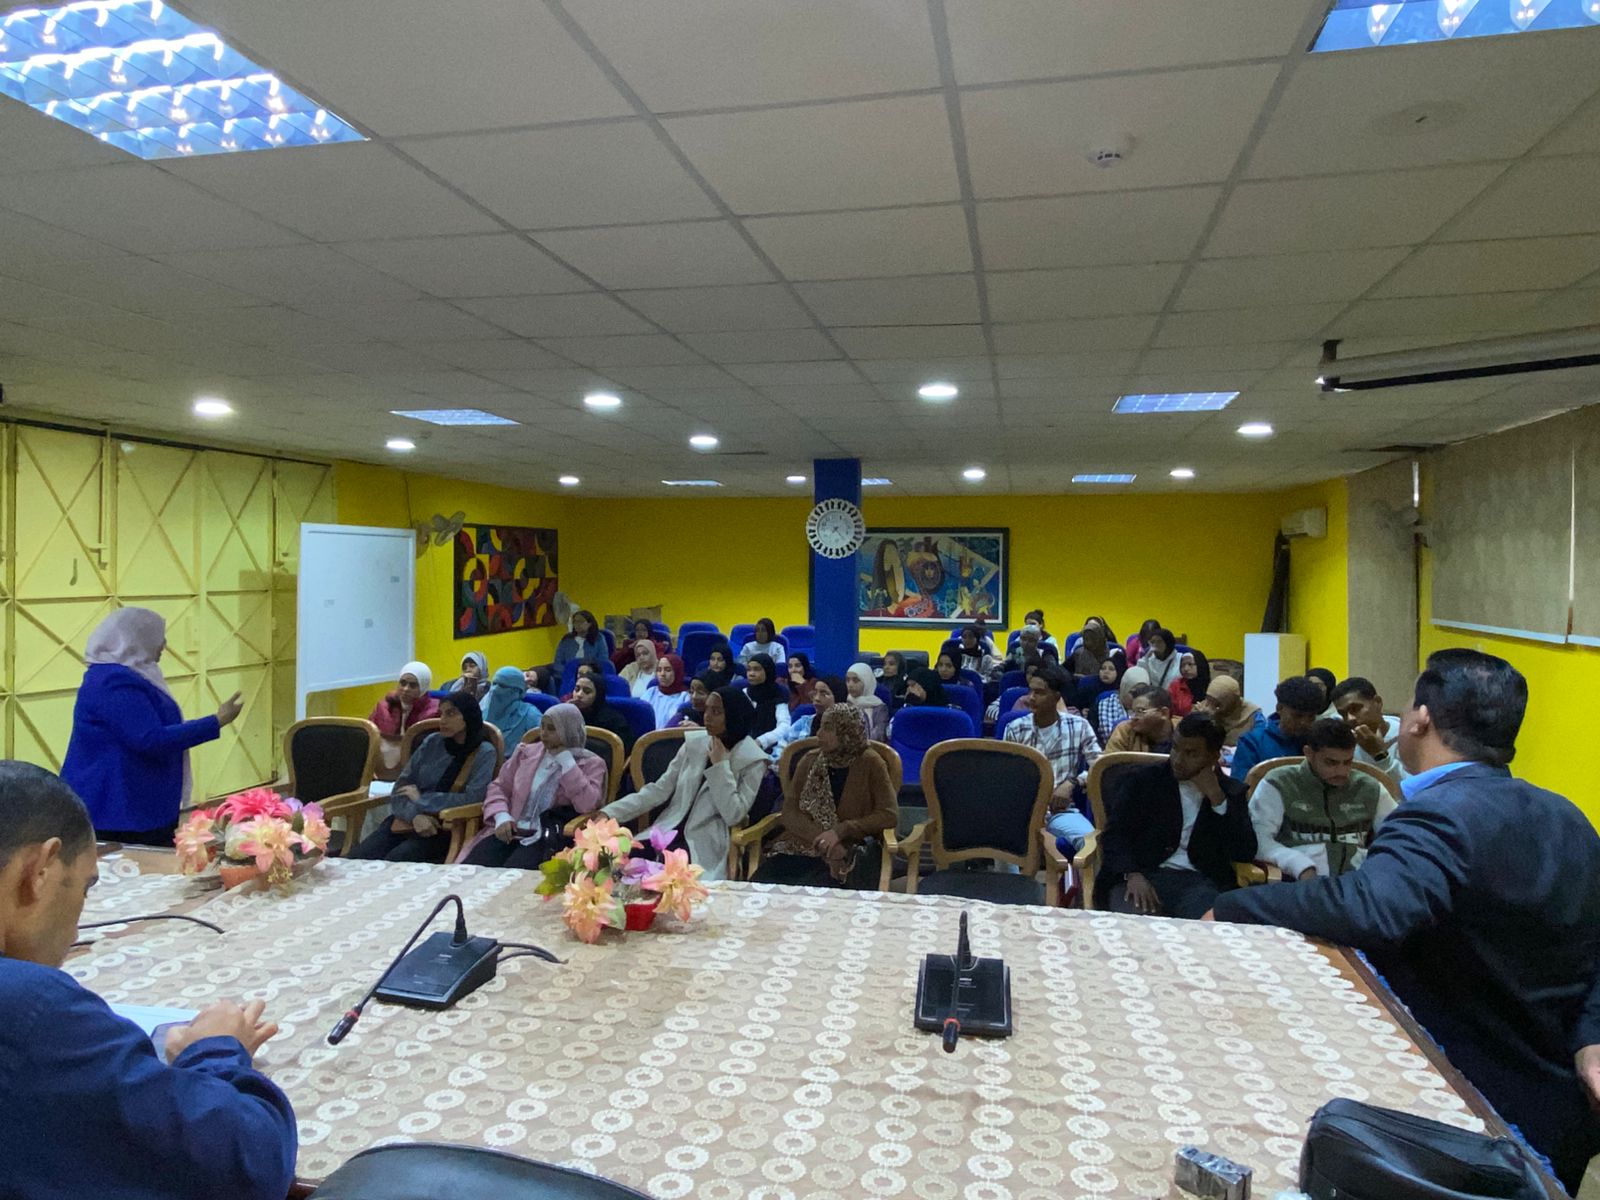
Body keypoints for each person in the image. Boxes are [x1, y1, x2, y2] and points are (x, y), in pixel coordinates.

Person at [1212, 650, 1600, 1193]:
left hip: (1461, 1113)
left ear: (1419, 719)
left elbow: (1372, 907)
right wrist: (1590, 1035)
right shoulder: (1568, 816)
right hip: (1559, 1108)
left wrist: (1234, 907)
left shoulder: (1439, 814)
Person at [0, 761, 297, 1200]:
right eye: (83, 888)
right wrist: (215, 1051)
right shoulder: (30, 1007)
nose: (76, 932)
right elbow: (253, 1164)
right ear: (40, 869)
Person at [61, 608, 242, 846]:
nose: (164, 644)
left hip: (136, 802)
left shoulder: (133, 674)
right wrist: (216, 721)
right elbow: (149, 739)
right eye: (158, 636)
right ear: (136, 638)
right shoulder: (113, 680)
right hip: (118, 808)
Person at [592, 686, 766, 881]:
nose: (707, 717)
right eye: (707, 710)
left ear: (734, 716)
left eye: (716, 712)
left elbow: (733, 814)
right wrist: (610, 812)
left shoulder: (752, 759)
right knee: (612, 868)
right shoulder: (695, 743)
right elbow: (658, 790)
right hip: (669, 830)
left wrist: (720, 766)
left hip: (704, 842)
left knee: (667, 882)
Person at [1099, 713, 1256, 918]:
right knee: (1137, 926)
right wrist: (1132, 874)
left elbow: (1244, 852)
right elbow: (1114, 835)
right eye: (1175, 748)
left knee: (1208, 927)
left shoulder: (1230, 792)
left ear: (1213, 756)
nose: (1178, 760)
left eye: (1191, 753)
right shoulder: (1142, 780)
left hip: (1199, 883)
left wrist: (1217, 800)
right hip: (1142, 874)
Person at [753, 706, 898, 889]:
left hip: (849, 850)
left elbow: (888, 814)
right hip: (801, 844)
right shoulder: (810, 760)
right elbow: (789, 812)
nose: (819, 734)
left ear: (847, 733)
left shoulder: (871, 762)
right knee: (761, 883)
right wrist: (824, 842)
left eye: (828, 728)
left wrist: (842, 831)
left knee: (817, 889)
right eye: (820, 726)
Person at [458, 703, 606, 868]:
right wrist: (501, 816)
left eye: (552, 729)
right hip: (510, 829)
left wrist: (567, 763)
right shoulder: (525, 753)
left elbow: (587, 805)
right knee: (472, 869)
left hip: (547, 837)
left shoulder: (591, 764)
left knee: (514, 874)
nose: (544, 733)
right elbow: (499, 787)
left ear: (568, 730)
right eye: (542, 726)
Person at [352, 692, 493, 863]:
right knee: (359, 856)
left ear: (468, 716)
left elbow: (474, 798)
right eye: (442, 713)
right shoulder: (433, 742)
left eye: (451, 713)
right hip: (407, 819)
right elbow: (401, 788)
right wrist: (415, 816)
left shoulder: (484, 752)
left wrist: (422, 799)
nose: (443, 720)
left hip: (447, 827)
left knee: (398, 859)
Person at [1249, 719, 1394, 881]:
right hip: (1295, 881)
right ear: (1309, 753)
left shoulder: (1370, 788)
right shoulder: (1279, 782)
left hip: (1359, 882)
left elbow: (1399, 836)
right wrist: (1298, 864)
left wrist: (1375, 866)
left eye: (1347, 762)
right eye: (1331, 762)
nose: (1341, 771)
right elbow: (1258, 841)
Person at [1003, 666, 1101, 852]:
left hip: (1061, 811)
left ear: (1056, 697)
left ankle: (1078, 874)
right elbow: (1006, 778)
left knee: (1092, 844)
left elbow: (1099, 766)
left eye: (1039, 693)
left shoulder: (1079, 726)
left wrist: (1073, 782)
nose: (1031, 697)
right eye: (1030, 691)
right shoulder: (1015, 728)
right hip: (1021, 811)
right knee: (1000, 840)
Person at [1229, 676, 1324, 780]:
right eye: (1297, 716)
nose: (1304, 723)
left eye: (1311, 717)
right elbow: (1242, 785)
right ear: (1279, 708)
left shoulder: (1318, 742)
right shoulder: (1252, 742)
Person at [368, 661, 442, 774]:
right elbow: (369, 738)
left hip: (417, 769)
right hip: (381, 769)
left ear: (423, 687)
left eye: (413, 685)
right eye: (402, 683)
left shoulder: (436, 711)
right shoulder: (383, 707)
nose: (406, 689)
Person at [1330, 675, 1407, 783]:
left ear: (1377, 702)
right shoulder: (1348, 743)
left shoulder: (1408, 737)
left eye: (1355, 709)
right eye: (1343, 714)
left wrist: (1379, 755)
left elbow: (1417, 788)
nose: (1350, 718)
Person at [774, 674, 847, 758]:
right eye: (815, 693)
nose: (817, 698)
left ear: (838, 698)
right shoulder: (804, 723)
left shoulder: (847, 727)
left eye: (824, 694)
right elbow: (782, 747)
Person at [571, 674, 636, 755]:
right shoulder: (568, 715)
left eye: (587, 691)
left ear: (598, 695)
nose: (579, 695)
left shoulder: (613, 720)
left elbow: (624, 751)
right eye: (577, 689)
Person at [1104, 684, 1178, 754]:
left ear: (1164, 713)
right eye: (1132, 712)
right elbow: (1109, 761)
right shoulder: (1125, 731)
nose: (1133, 717)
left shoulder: (1182, 730)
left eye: (1140, 711)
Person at [1195, 674, 1264, 747]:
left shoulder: (1254, 716)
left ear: (1231, 700)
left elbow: (1260, 741)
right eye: (1208, 699)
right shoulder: (1202, 709)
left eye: (1217, 703)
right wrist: (1204, 719)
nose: (1210, 705)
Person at [742, 653, 791, 753]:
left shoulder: (779, 693)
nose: (751, 673)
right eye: (749, 669)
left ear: (768, 671)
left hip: (771, 746)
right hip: (744, 744)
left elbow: (785, 726)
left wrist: (761, 741)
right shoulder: (744, 693)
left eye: (757, 669)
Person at [482, 665, 541, 747]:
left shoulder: (530, 715)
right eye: (494, 684)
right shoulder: (482, 707)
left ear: (517, 691)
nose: (494, 689)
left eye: (502, 686)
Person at [642, 653, 689, 730]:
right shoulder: (650, 692)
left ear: (677, 672)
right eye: (659, 670)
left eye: (668, 670)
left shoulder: (685, 697)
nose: (662, 674)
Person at [552, 609, 607, 674]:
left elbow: (603, 661)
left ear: (589, 624)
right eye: (575, 622)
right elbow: (557, 663)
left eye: (581, 621)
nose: (577, 624)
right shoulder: (566, 640)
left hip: (590, 674)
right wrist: (568, 671)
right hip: (567, 674)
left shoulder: (598, 639)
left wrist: (588, 671)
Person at [846, 662, 889, 742]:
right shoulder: (845, 704)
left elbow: (879, 736)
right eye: (847, 680)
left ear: (867, 681)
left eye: (855, 680)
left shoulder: (879, 707)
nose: (850, 685)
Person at [1166, 650, 1211, 717]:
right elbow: (1170, 713)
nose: (1186, 669)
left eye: (1190, 664)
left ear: (1200, 665)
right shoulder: (1175, 686)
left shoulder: (1212, 687)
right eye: (1182, 665)